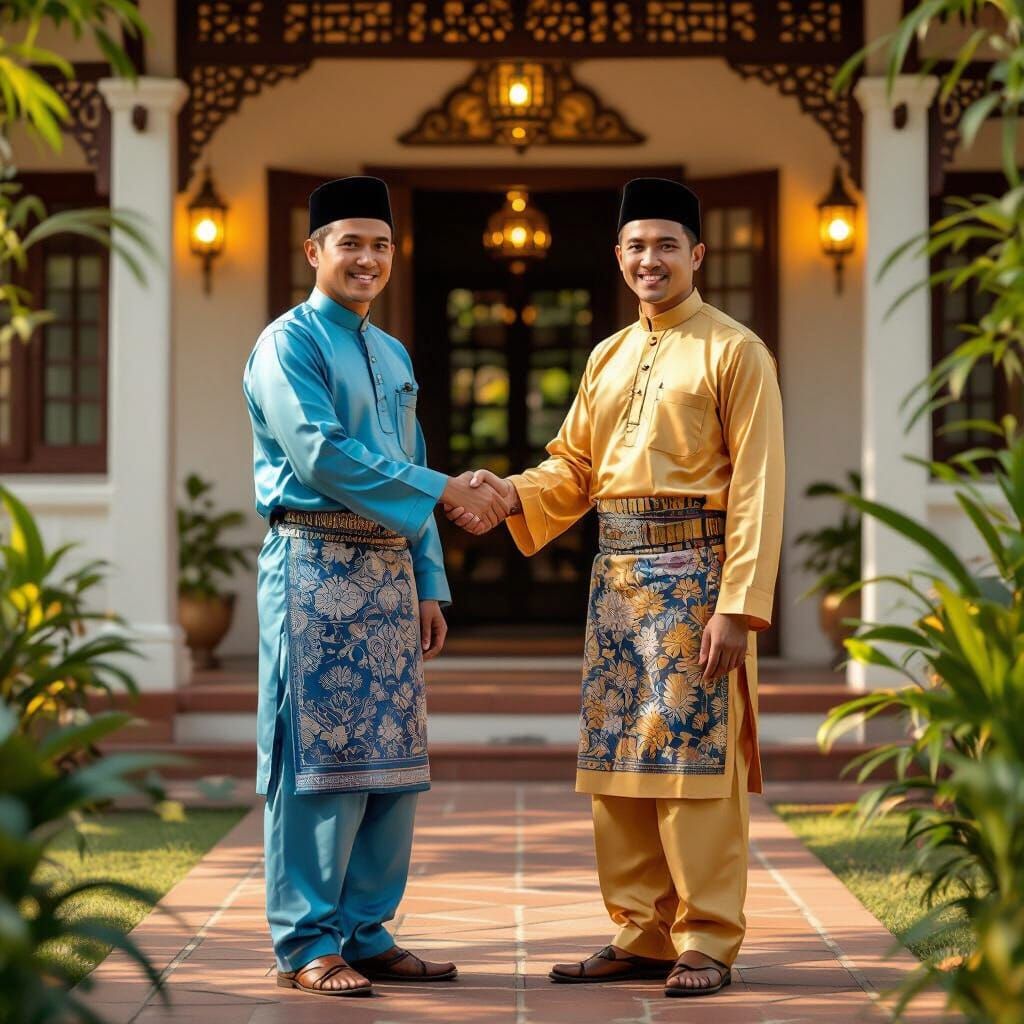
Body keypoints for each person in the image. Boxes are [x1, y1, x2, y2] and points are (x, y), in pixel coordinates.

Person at [447, 177, 784, 998]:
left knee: (694, 764)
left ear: (696, 255)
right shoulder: (606, 354)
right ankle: (641, 932)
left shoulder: (734, 350)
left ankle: (706, 937)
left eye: (666, 244)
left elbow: (759, 483)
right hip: (616, 585)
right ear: (619, 257)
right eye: (636, 246)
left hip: (696, 584)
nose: (650, 259)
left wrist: (738, 604)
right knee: (617, 762)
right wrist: (509, 496)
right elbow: (575, 467)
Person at [243, 176, 510, 998]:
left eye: (381, 245)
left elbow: (412, 455)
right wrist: (441, 490)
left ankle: (366, 930)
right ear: (314, 251)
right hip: (315, 569)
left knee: (390, 764)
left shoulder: (390, 352)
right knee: (315, 759)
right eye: (350, 242)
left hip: (390, 580)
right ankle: (306, 942)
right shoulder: (288, 343)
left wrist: (430, 578)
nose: (367, 258)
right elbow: (321, 455)